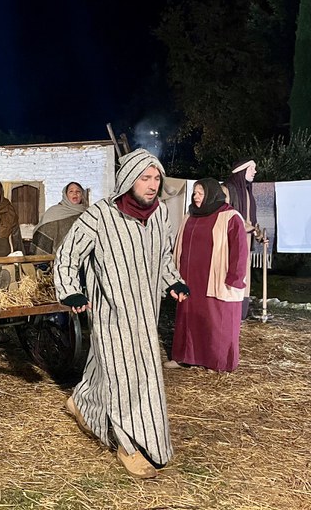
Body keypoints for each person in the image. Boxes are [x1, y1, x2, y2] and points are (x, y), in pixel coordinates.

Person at [53, 149, 190, 479]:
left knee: (114, 368)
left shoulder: (159, 215)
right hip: (111, 313)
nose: (153, 185)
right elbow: (68, 254)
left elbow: (164, 256)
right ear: (129, 180)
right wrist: (70, 289)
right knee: (126, 376)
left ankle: (81, 402)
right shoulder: (99, 216)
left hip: (146, 311)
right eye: (145, 178)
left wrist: (172, 280)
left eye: (156, 178)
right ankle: (128, 446)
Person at [165, 178, 248, 372]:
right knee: (188, 318)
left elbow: (240, 250)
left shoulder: (230, 216)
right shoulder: (190, 216)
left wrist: (235, 277)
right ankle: (184, 357)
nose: (196, 196)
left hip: (215, 278)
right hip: (190, 278)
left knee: (215, 320)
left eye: (200, 193)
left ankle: (216, 362)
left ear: (212, 193)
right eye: (195, 193)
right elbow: (179, 245)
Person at [223, 159, 260, 320]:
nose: (255, 171)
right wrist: (245, 226)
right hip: (230, 242)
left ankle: (241, 313)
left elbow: (252, 220)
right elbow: (225, 214)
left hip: (246, 240)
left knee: (244, 275)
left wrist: (258, 234)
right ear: (242, 170)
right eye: (252, 168)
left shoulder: (248, 193)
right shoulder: (226, 189)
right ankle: (228, 310)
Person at [31, 181, 89, 255]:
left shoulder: (87, 214)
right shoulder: (53, 212)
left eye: (78, 191)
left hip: (82, 256)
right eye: (71, 191)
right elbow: (42, 235)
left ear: (82, 195)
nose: (75, 194)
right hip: (55, 258)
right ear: (66, 195)